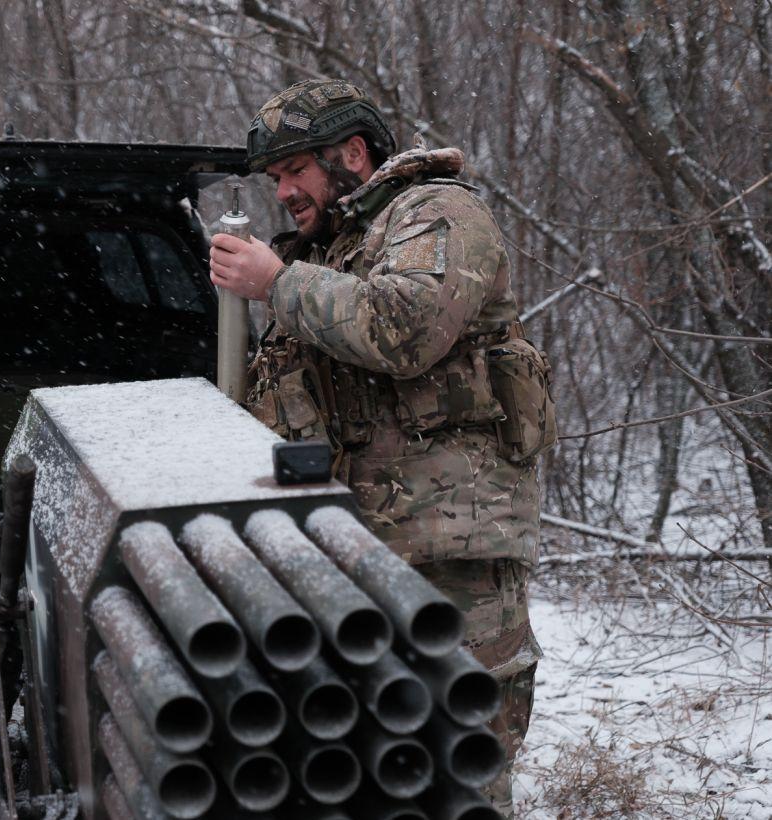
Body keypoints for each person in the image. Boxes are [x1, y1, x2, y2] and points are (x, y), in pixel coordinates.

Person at [210, 78, 557, 815]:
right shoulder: (333, 248)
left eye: (294, 171)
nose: (284, 193)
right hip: (357, 554)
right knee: (372, 774)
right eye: (274, 179)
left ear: (354, 154)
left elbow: (403, 328)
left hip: (449, 555)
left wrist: (277, 282)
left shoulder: (437, 211)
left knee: (464, 770)